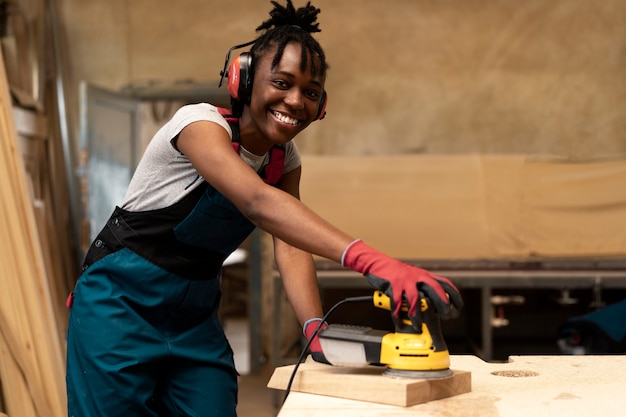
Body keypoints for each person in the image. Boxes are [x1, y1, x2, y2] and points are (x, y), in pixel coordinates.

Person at [65, 1, 464, 416]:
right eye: (282, 82)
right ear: (244, 80)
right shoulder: (198, 126)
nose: (295, 101)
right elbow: (257, 203)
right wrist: (371, 261)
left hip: (193, 319)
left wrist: (313, 328)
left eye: (310, 93)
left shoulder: (283, 159)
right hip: (118, 308)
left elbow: (289, 245)